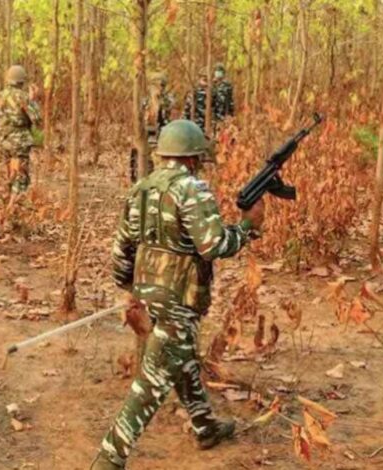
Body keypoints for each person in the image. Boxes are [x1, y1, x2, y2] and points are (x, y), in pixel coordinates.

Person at [91, 120, 265, 470]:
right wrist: (248, 227)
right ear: (193, 157)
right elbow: (214, 245)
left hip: (147, 291)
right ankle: (110, 458)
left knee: (179, 357)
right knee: (152, 381)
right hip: (179, 297)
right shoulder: (192, 189)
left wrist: (128, 289)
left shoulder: (141, 188)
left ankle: (205, 426)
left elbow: (122, 247)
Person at [0, 65, 42, 195]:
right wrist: (33, 101)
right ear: (22, 81)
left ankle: (6, 199)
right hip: (20, 141)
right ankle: (16, 202)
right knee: (20, 175)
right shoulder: (23, 97)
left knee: (8, 171)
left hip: (3, 140)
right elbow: (37, 119)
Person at [131, 72, 175, 182]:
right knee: (146, 160)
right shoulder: (145, 100)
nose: (160, 88)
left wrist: (157, 100)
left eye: (162, 85)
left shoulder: (167, 99)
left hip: (163, 133)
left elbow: (169, 105)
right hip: (148, 134)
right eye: (157, 85)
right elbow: (140, 115)